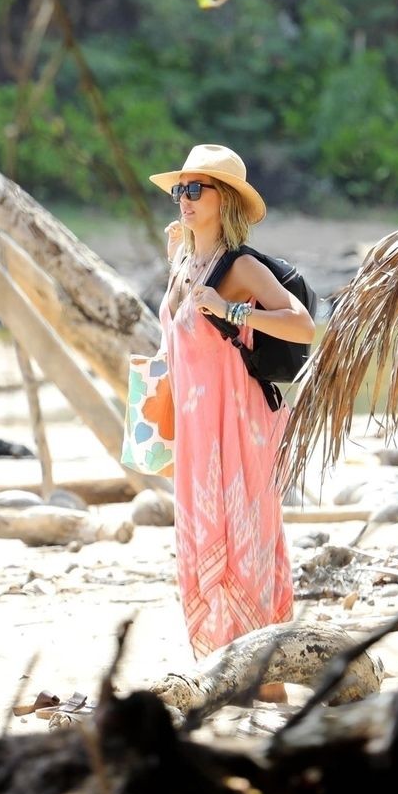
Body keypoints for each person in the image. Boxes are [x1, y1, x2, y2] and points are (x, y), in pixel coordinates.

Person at [151, 144, 315, 688]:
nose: (185, 199)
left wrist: (232, 309)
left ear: (225, 200)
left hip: (239, 423)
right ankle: (220, 669)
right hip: (197, 431)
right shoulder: (182, 262)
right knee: (201, 538)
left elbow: (302, 324)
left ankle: (264, 676)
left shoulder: (241, 266)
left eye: (197, 189)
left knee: (244, 540)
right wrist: (174, 263)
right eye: (181, 189)